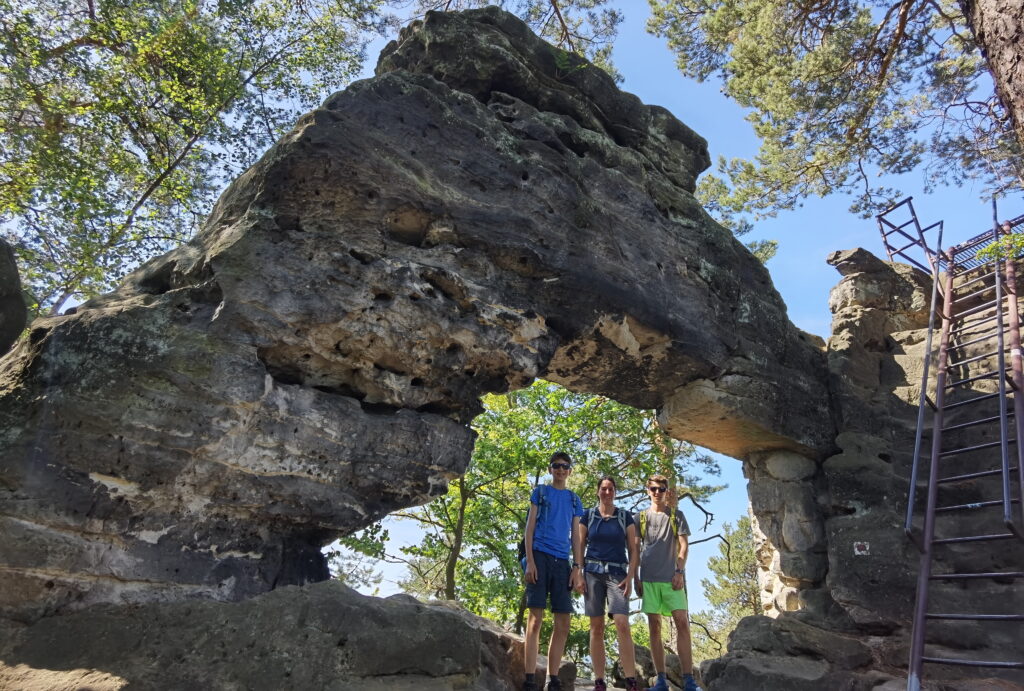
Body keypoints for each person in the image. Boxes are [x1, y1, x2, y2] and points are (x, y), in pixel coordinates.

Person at [522, 452, 585, 691]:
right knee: (535, 619)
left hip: (562, 562)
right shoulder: (540, 492)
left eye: (564, 466)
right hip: (539, 555)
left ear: (570, 470)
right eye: (556, 466)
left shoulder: (573, 500)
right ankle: (529, 678)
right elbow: (530, 528)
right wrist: (530, 561)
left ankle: (553, 678)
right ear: (550, 470)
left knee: (563, 622)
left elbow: (576, 538)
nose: (560, 470)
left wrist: (577, 568)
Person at [634, 475, 701, 691]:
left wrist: (680, 571)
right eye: (653, 488)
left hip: (672, 579)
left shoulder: (676, 516)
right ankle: (661, 681)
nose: (657, 492)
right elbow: (634, 549)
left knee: (682, 622)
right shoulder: (640, 518)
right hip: (649, 578)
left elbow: (684, 546)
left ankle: (689, 679)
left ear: (667, 492)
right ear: (647, 490)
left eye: (661, 489)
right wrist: (634, 576)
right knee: (654, 626)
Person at [579, 476, 640, 691]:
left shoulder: (625, 517)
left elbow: (634, 549)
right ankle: (598, 680)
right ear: (598, 492)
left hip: (617, 574)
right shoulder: (588, 516)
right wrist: (578, 572)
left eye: (611, 489)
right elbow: (579, 545)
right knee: (596, 628)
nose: (607, 492)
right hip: (592, 573)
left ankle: (631, 679)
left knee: (622, 624)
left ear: (615, 492)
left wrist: (630, 576)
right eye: (603, 489)